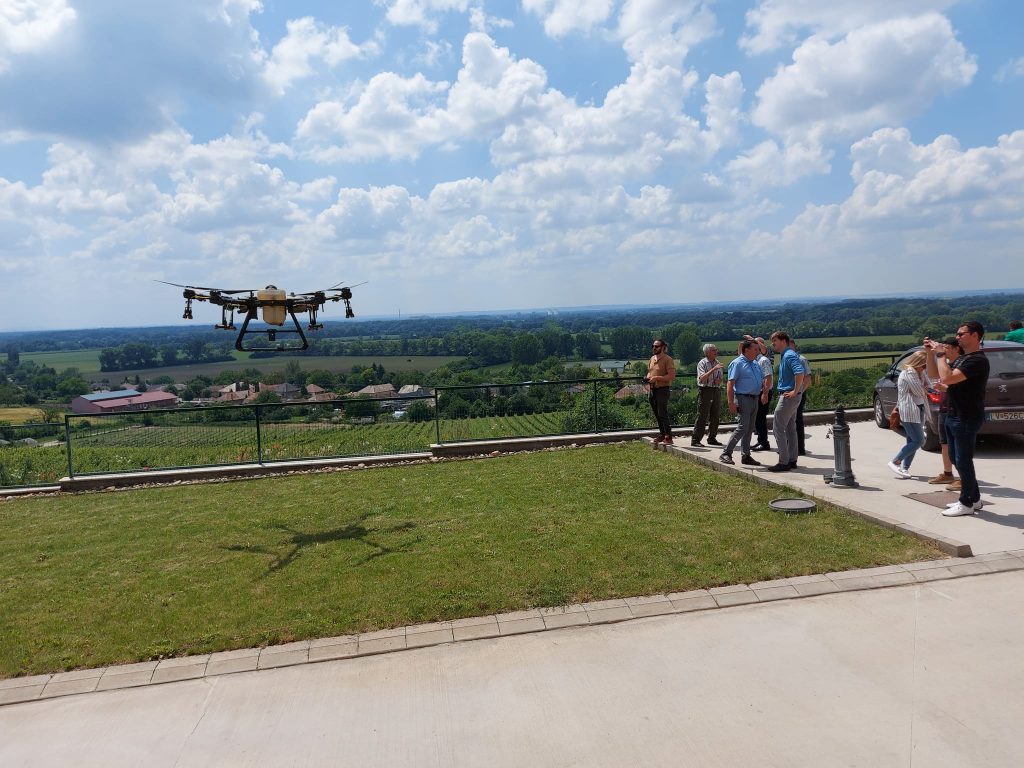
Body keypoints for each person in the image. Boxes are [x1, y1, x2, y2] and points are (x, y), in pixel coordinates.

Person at [927, 322, 990, 516]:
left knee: (963, 460)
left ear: (974, 335)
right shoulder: (964, 359)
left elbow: (946, 378)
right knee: (956, 458)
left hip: (966, 417)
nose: (957, 337)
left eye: (961, 334)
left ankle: (966, 503)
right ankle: (975, 499)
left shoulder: (977, 360)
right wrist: (930, 353)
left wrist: (940, 354)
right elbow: (933, 373)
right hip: (954, 414)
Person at [719, 340, 764, 466]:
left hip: (754, 398)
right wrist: (731, 402)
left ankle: (746, 455)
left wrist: (763, 390)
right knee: (743, 427)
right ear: (746, 350)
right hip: (743, 398)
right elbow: (730, 383)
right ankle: (726, 453)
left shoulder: (754, 363)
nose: (757, 351)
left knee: (749, 428)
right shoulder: (737, 363)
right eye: (755, 349)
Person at [766, 331, 806, 472]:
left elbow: (800, 372)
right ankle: (792, 460)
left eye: (774, 341)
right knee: (790, 428)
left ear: (783, 341)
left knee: (778, 428)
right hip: (793, 396)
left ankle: (783, 462)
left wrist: (795, 391)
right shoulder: (787, 354)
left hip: (788, 396)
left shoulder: (788, 355)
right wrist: (797, 392)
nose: (773, 344)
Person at [886, 350, 929, 478]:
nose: (925, 368)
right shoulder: (909, 372)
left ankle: (905, 468)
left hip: (919, 407)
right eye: (924, 365)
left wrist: (925, 387)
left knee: (912, 440)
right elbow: (919, 391)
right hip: (910, 409)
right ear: (917, 363)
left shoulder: (919, 373)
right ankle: (895, 461)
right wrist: (925, 388)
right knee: (919, 440)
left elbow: (929, 385)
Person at [925, 336, 960, 487]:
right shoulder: (945, 363)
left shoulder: (961, 365)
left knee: (957, 446)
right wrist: (929, 353)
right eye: (942, 347)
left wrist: (945, 388)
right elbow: (932, 374)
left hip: (957, 409)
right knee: (945, 443)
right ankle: (948, 474)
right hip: (945, 407)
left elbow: (960, 388)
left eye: (946, 348)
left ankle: (964, 478)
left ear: (956, 348)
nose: (943, 350)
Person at [691, 344, 724, 447]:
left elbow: (720, 378)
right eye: (713, 350)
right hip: (705, 390)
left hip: (716, 390)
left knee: (715, 415)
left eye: (716, 349)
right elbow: (702, 378)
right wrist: (713, 369)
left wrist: (719, 380)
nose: (716, 351)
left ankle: (712, 438)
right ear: (707, 352)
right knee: (702, 415)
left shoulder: (717, 363)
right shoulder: (702, 363)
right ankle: (695, 440)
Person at [645, 338, 676, 444]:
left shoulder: (668, 359)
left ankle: (669, 436)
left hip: (663, 389)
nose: (654, 348)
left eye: (656, 346)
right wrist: (648, 377)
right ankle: (662, 434)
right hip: (653, 389)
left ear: (663, 347)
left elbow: (671, 376)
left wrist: (657, 378)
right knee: (657, 413)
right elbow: (650, 372)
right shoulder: (652, 358)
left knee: (662, 413)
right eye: (653, 346)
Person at [750, 337, 774, 452]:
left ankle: (764, 443)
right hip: (757, 392)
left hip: (764, 392)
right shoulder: (755, 361)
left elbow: (768, 377)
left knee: (760, 418)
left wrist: (765, 393)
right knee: (758, 418)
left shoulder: (763, 360)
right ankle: (760, 441)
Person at [790, 340, 812, 456]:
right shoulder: (788, 358)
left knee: (797, 420)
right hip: (791, 393)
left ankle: (799, 448)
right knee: (789, 421)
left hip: (798, 394)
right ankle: (791, 448)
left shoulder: (801, 359)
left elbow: (808, 379)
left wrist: (799, 392)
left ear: (794, 347)